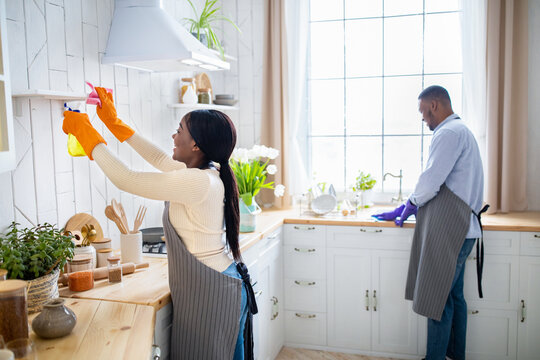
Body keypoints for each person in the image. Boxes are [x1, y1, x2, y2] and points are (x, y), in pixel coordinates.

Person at [62, 88, 257, 360]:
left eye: (180, 130)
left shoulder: (198, 181)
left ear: (196, 145)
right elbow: (159, 159)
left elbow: (126, 178)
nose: (173, 136)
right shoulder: (203, 172)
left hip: (211, 290)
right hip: (213, 283)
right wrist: (114, 123)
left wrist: (86, 133)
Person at [373, 85, 487, 360]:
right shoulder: (463, 132)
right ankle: (454, 356)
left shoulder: (447, 133)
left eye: (423, 112)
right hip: (464, 230)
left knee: (436, 299)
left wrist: (410, 204)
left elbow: (431, 180)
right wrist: (409, 204)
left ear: (434, 105)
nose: (423, 119)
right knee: (454, 298)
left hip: (451, 230)